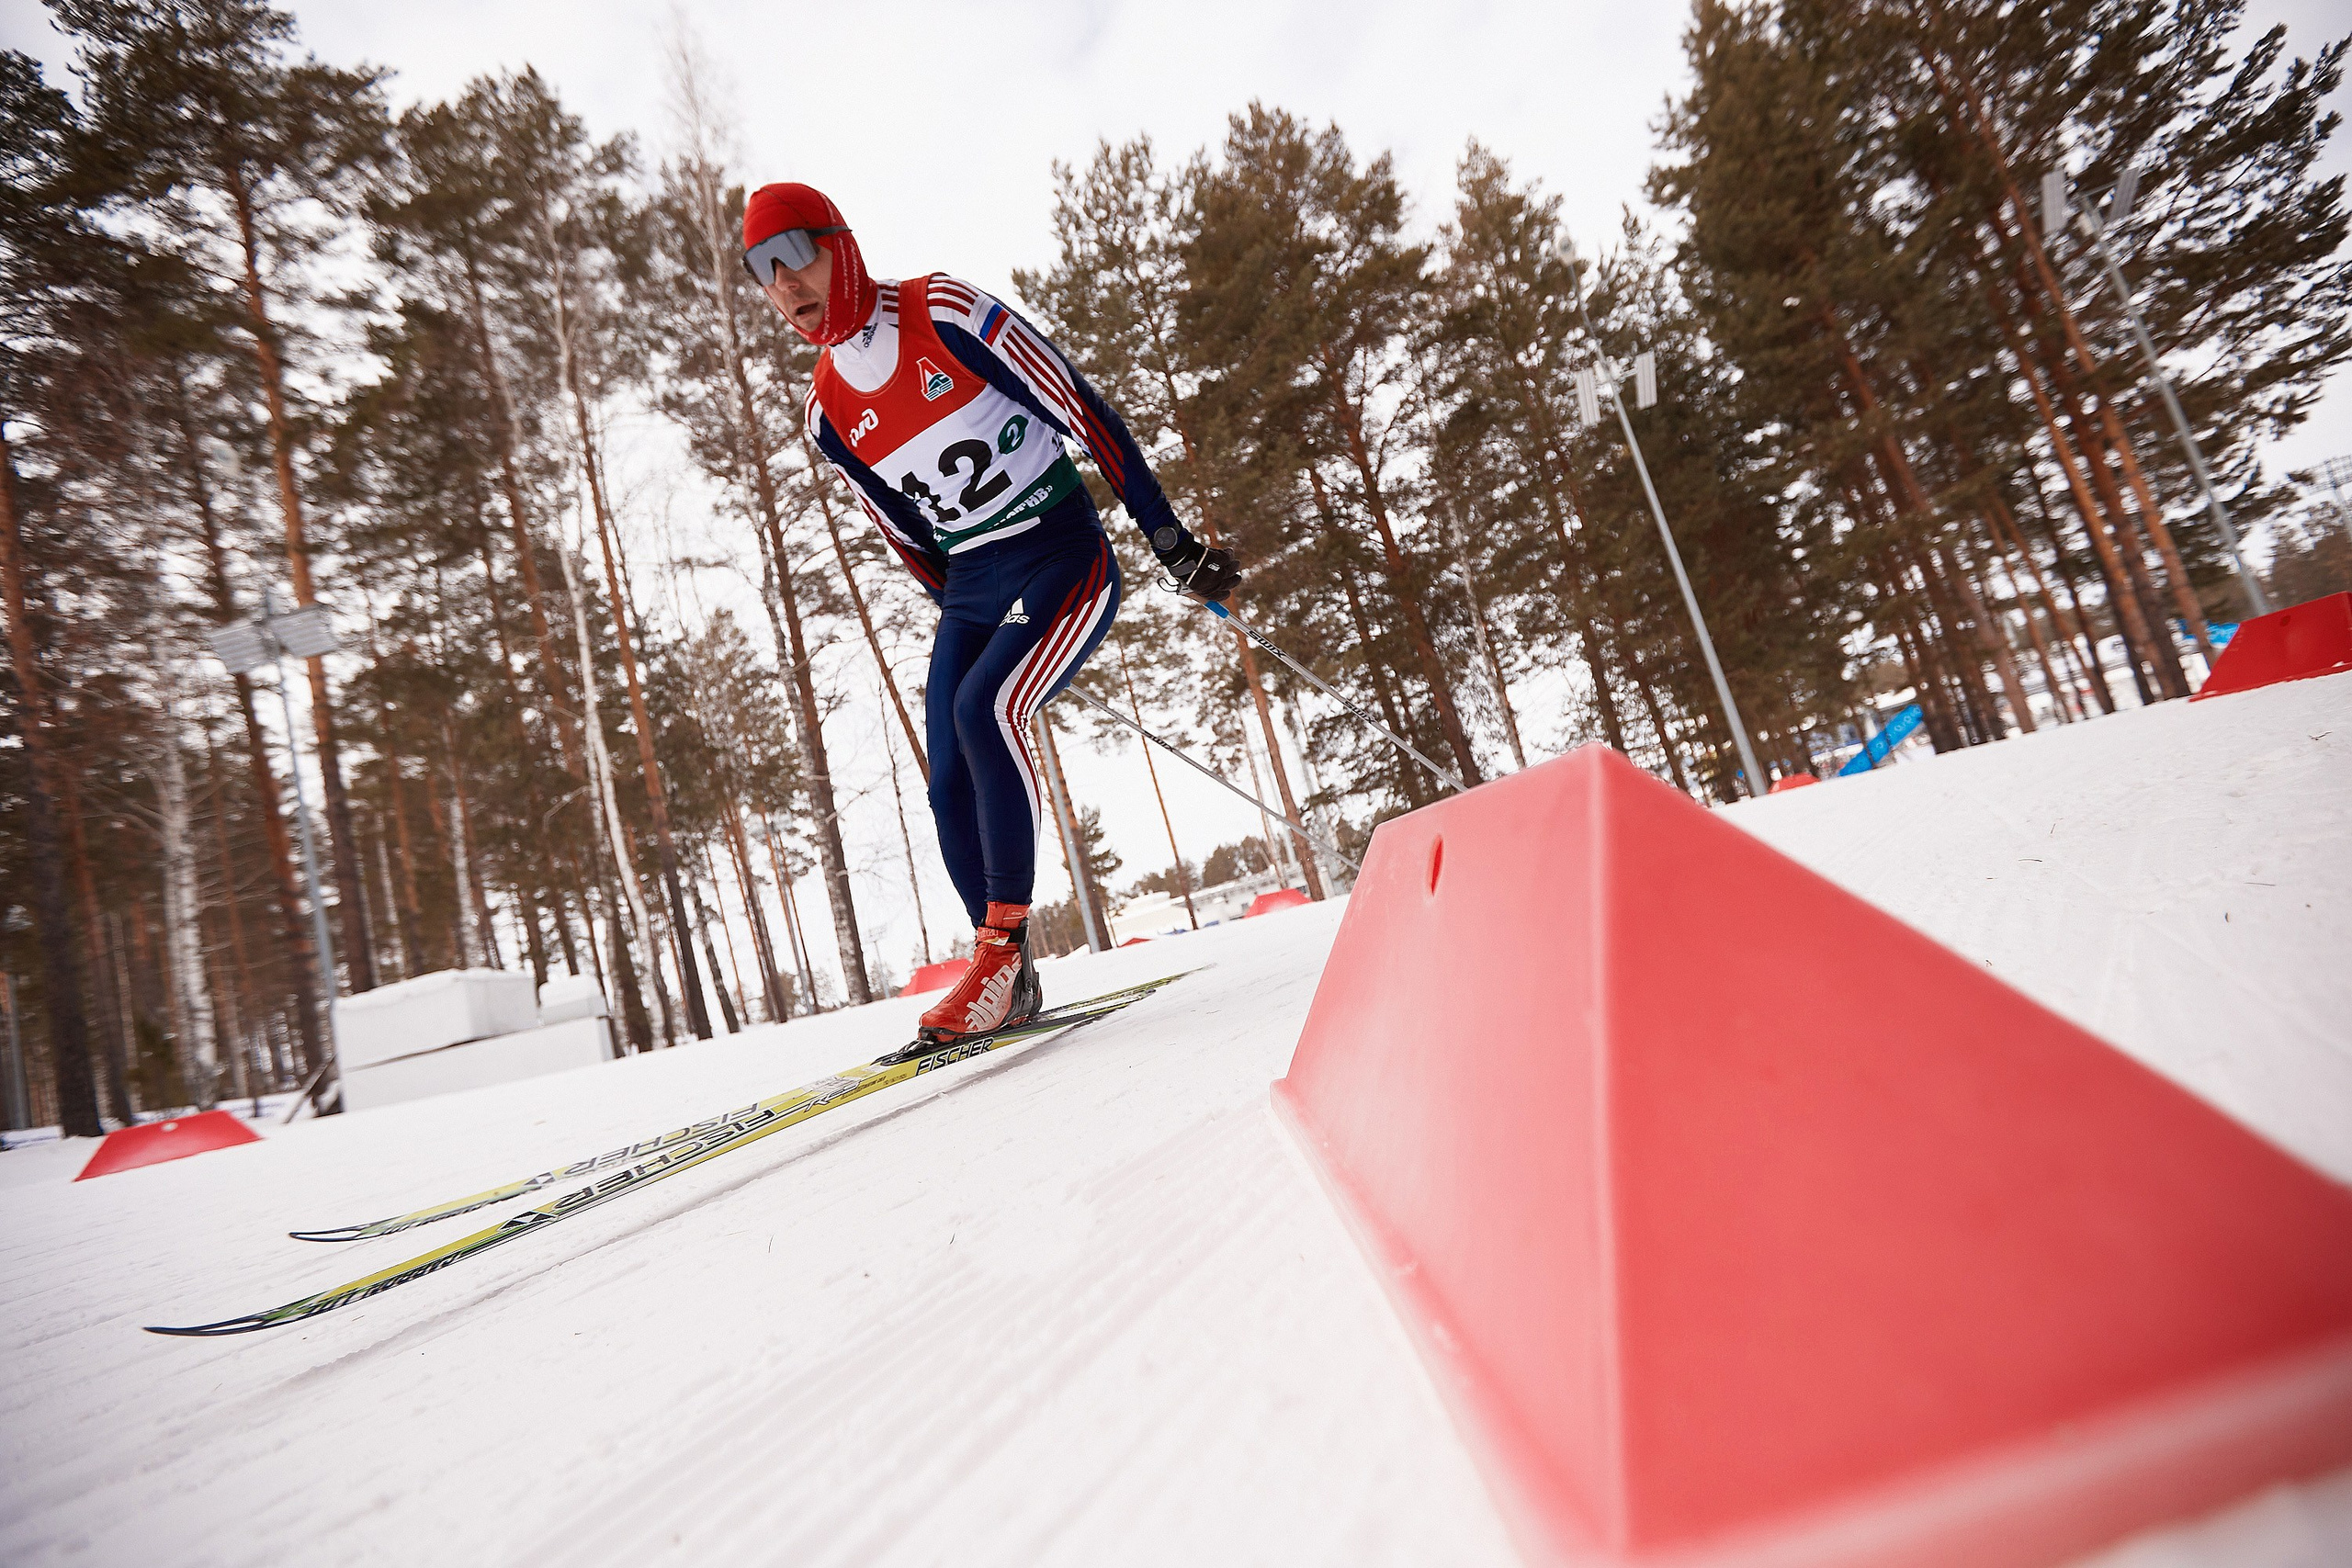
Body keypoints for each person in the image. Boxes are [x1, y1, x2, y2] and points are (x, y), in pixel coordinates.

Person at [742, 183, 1238, 1045]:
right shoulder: (826, 413)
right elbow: (903, 532)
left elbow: (1082, 410)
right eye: (761, 270)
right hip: (972, 583)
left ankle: (1002, 955)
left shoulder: (944, 313)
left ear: (841, 246)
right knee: (946, 783)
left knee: (987, 707)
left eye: (795, 255)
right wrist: (967, 614)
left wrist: (1168, 539)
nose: (783, 283)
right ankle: (1004, 973)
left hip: (1058, 552)